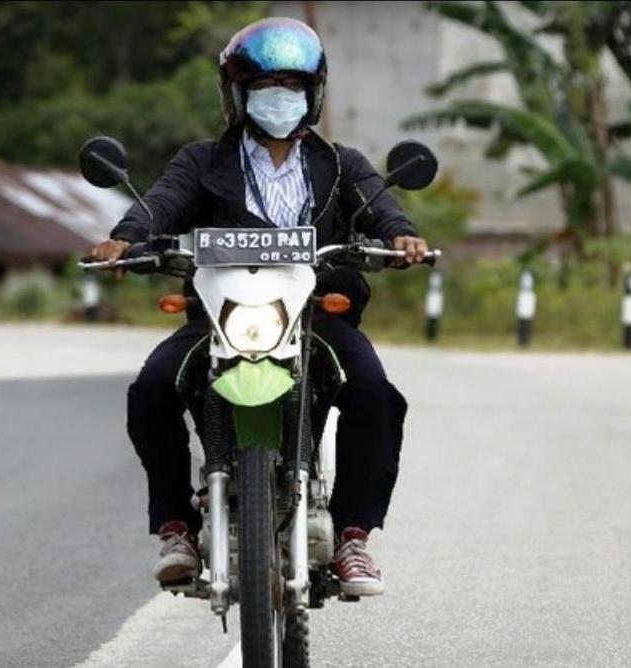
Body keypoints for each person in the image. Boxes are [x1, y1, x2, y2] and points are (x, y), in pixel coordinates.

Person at [89, 17, 428, 597]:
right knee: (150, 390)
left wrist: (402, 237)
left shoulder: (342, 165)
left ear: (313, 95)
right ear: (238, 95)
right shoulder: (201, 161)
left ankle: (351, 537)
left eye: (293, 88)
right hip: (219, 317)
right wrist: (127, 238)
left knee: (374, 391)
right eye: (265, 88)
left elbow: (381, 208)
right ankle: (176, 526)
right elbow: (162, 204)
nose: (279, 100)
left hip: (316, 314)